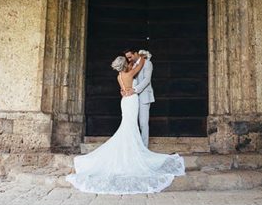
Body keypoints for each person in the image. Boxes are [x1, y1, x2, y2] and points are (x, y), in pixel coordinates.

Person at [66, 55, 185, 194]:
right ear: (124, 64)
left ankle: (128, 149)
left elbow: (125, 86)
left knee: (127, 126)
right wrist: (141, 57)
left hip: (124, 101)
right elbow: (140, 66)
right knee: (131, 126)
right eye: (126, 60)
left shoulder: (120, 77)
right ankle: (132, 151)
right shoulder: (130, 74)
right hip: (132, 100)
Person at [123, 48, 154, 147]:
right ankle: (134, 146)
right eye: (127, 58)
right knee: (132, 122)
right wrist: (125, 89)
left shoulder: (148, 63)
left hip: (144, 96)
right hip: (133, 98)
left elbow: (147, 80)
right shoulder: (132, 65)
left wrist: (134, 90)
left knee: (143, 123)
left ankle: (144, 148)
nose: (129, 60)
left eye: (130, 57)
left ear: (135, 53)